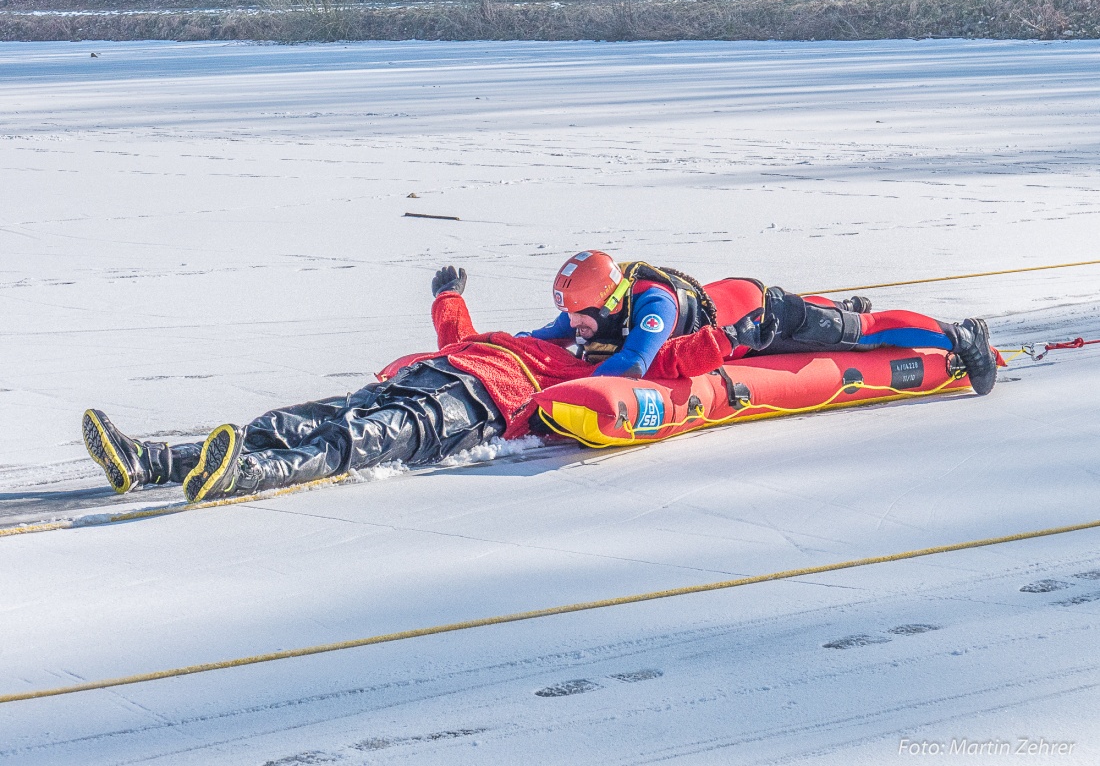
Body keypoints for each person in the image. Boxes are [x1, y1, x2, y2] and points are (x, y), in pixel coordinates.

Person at [83, 266, 596, 503]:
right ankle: (147, 462)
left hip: (466, 411)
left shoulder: (585, 375)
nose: (578, 330)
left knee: (351, 442)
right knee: (287, 422)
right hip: (421, 378)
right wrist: (447, 296)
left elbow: (670, 368)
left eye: (589, 327)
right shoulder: (524, 340)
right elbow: (457, 338)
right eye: (576, 323)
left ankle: (245, 476)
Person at [528, 250, 999, 394]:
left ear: (608, 302)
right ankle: (841, 308)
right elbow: (535, 339)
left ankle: (962, 335)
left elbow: (633, 365)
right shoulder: (594, 310)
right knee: (837, 326)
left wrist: (552, 391)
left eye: (579, 316)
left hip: (763, 315)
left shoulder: (655, 306)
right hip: (736, 331)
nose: (572, 325)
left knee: (863, 336)